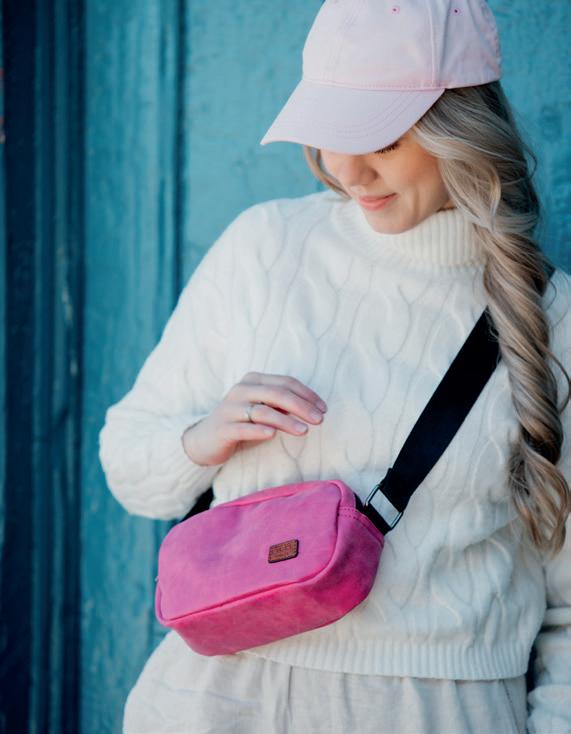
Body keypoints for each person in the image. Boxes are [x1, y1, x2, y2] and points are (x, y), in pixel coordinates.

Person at [98, 1, 571, 732]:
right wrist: (204, 438)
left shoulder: (552, 318)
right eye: (329, 130)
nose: (347, 170)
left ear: (462, 129)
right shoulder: (265, 247)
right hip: (217, 699)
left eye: (380, 135)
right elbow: (128, 466)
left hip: (433, 710)